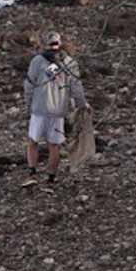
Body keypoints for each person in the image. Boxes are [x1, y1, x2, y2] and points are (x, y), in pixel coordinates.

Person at [23, 32, 88, 185]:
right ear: (59, 44)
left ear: (45, 44)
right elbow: (76, 87)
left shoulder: (37, 61)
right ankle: (51, 177)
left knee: (33, 141)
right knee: (54, 145)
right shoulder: (69, 62)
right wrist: (82, 104)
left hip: (39, 109)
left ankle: (32, 172)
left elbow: (29, 84)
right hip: (58, 111)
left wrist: (28, 104)